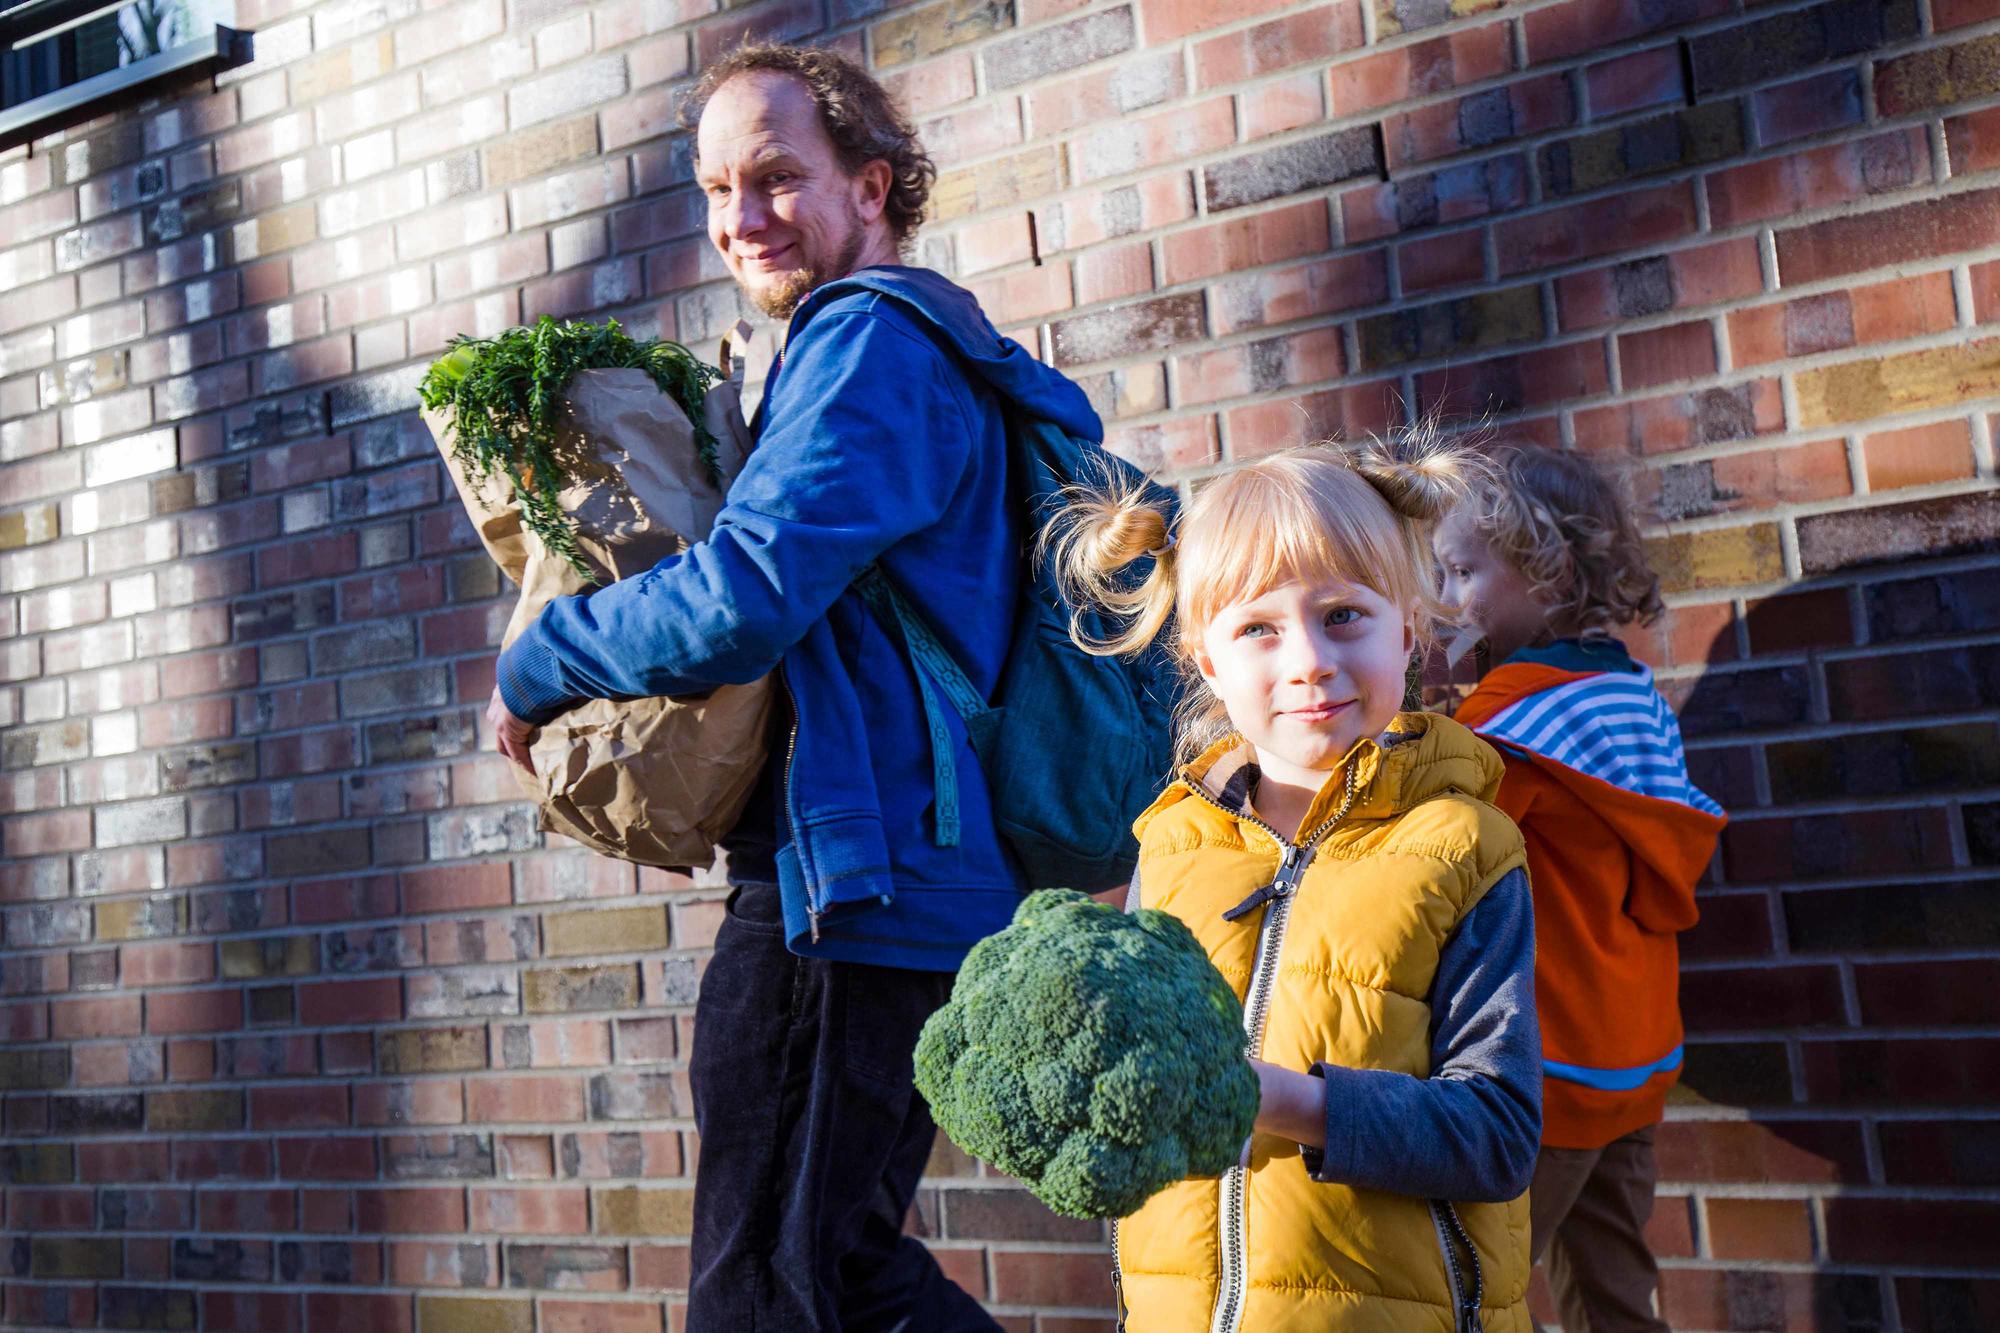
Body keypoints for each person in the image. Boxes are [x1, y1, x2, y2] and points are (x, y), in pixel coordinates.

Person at [483, 42, 1104, 1332]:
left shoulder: (867, 342)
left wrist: (538, 661)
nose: (738, 219)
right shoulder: (920, 349)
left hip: (852, 888)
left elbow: (745, 590)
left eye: (774, 178)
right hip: (891, 871)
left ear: (870, 186)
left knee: (771, 1292)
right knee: (836, 1273)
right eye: (715, 190)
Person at [1052, 437, 1542, 1331]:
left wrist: (1289, 1103)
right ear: (1206, 660)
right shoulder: (1165, 849)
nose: (1308, 658)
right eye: (1258, 628)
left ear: (1411, 627)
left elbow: (1499, 1134)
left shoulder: (1468, 845)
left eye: (1344, 615)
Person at [1434, 445, 1726, 1333]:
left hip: (1544, 1070)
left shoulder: (1508, 715)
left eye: (1462, 572)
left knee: (1467, 1294)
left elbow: (1433, 831)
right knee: (1613, 1294)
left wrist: (1414, 700)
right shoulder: (1630, 693)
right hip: (1633, 1061)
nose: (1446, 599)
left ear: (1549, 573)